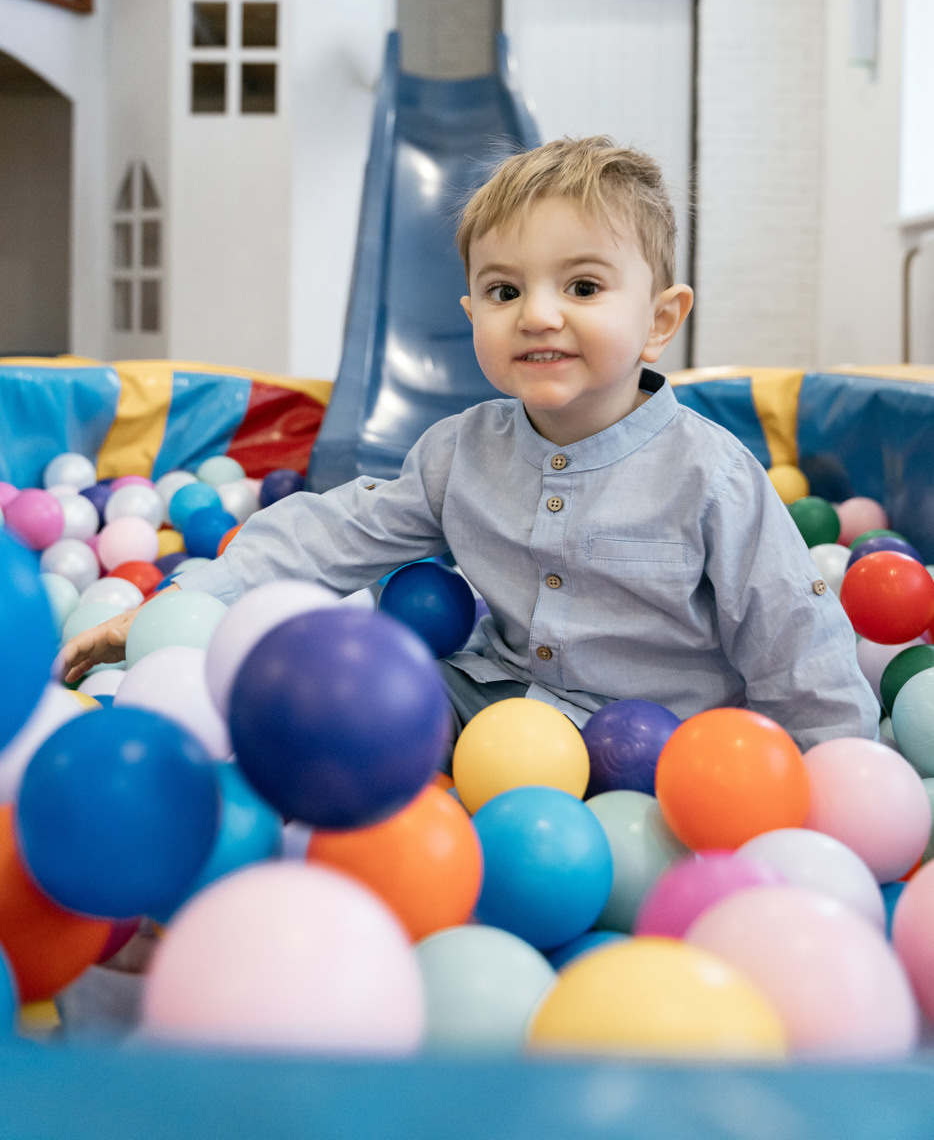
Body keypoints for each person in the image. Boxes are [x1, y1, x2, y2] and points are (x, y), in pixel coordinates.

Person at [62, 136, 878, 750]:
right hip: (491, 709)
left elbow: (793, 637)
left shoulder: (712, 477)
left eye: (583, 286)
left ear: (660, 321)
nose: (539, 315)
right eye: (504, 290)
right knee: (333, 702)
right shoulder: (461, 453)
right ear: (472, 316)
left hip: (658, 747)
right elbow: (332, 534)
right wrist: (189, 604)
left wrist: (832, 780)